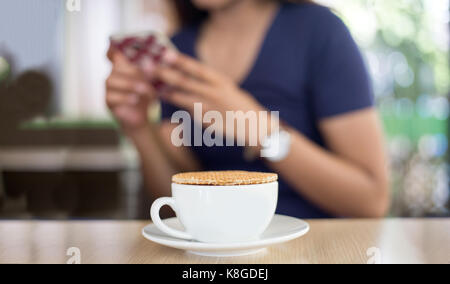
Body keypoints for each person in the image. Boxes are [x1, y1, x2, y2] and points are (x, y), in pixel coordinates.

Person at [106, 0, 390, 218]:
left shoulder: (321, 33)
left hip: (310, 249)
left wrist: (260, 131)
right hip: (212, 254)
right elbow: (174, 209)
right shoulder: (178, 52)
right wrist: (139, 128)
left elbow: (371, 201)